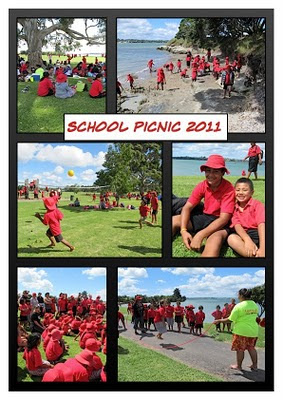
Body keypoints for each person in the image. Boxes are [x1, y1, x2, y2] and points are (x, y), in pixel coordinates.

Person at [172, 155, 235, 257]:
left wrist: (201, 235)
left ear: (223, 173)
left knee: (214, 241)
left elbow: (224, 219)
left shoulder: (229, 189)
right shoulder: (202, 185)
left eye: (216, 171)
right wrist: (183, 230)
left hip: (221, 223)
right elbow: (187, 208)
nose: (210, 175)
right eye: (208, 170)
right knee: (174, 220)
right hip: (205, 216)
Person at [213, 288, 259, 371]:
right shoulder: (254, 304)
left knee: (240, 349)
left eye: (238, 295)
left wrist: (219, 320)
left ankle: (239, 366)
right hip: (253, 331)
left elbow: (230, 319)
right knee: (251, 348)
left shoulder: (239, 306)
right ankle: (254, 365)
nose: (237, 296)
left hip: (241, 331)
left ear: (241, 295)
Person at [227, 178, 265, 257]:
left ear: (252, 192)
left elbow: (261, 225)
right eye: (238, 190)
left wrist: (263, 248)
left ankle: (261, 252)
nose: (240, 193)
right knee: (231, 238)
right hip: (243, 234)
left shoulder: (257, 205)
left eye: (244, 190)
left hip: (258, 233)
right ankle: (255, 256)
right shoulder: (233, 207)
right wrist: (247, 240)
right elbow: (237, 225)